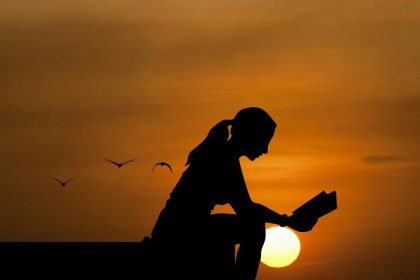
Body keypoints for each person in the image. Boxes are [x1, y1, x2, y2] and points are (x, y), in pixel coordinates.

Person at [150, 107, 316, 280]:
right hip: (179, 231)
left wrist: (285, 220)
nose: (266, 150)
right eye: (264, 140)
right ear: (251, 135)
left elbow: (247, 207)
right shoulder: (223, 159)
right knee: (254, 227)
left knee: (251, 223)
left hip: (179, 227)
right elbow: (249, 211)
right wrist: (287, 221)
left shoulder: (224, 156)